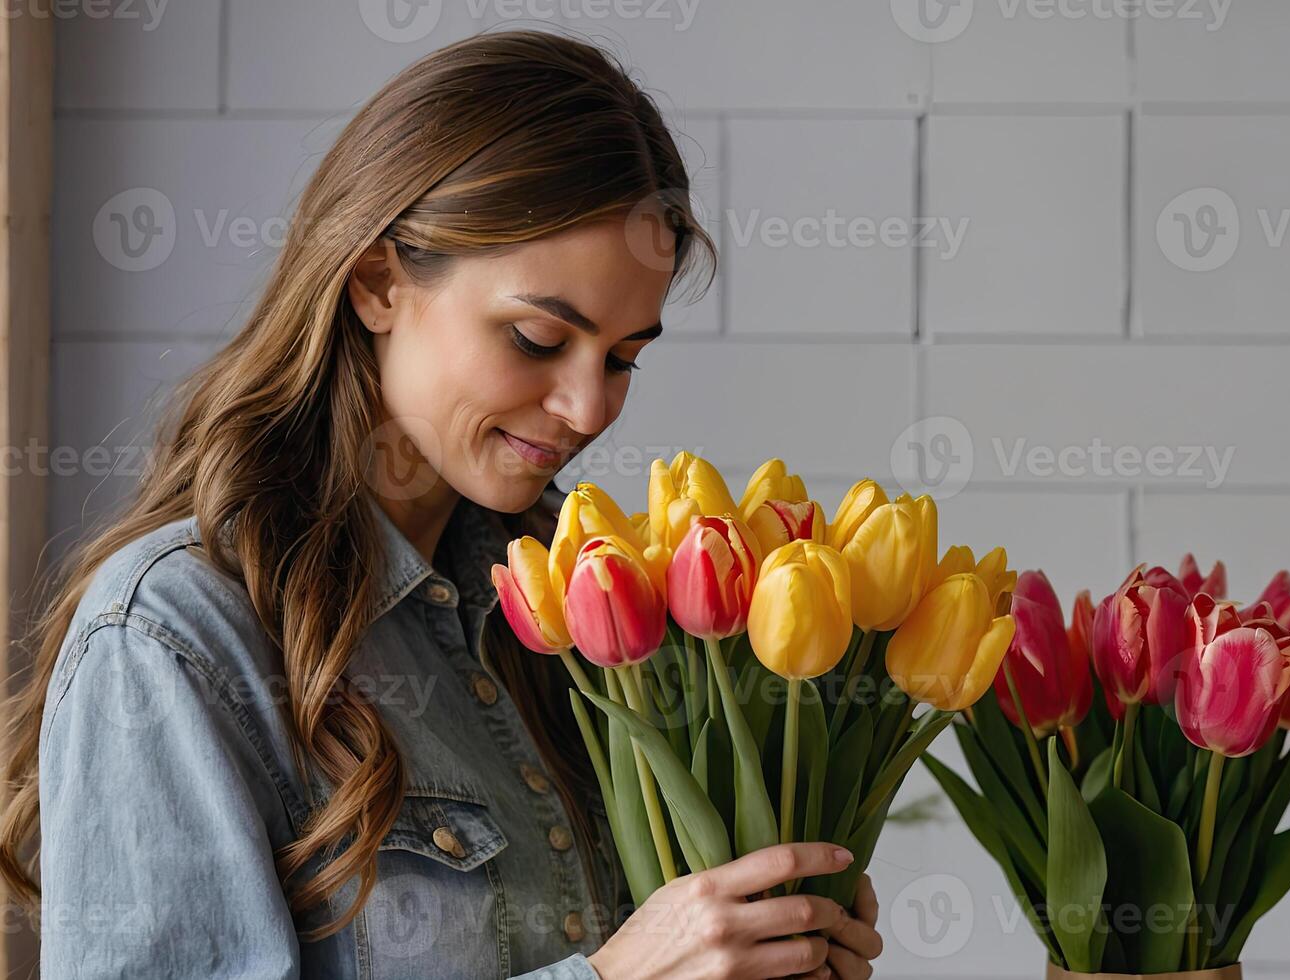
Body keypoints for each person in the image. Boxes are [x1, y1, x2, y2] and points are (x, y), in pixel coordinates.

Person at [0, 29, 882, 979]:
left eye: (624, 358)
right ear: (379, 283)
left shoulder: (570, 629)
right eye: (540, 338)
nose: (591, 408)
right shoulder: (174, 634)